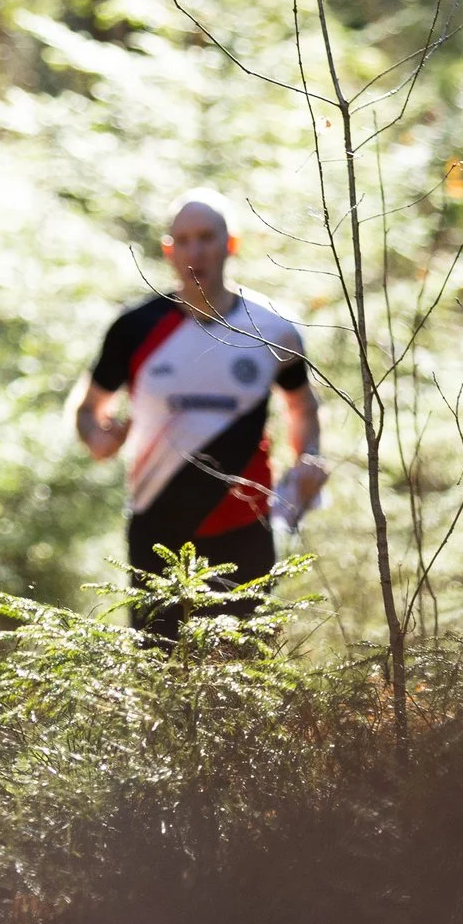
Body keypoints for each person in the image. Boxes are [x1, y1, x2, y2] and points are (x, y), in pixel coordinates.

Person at [74, 191, 326, 638]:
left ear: (231, 243)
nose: (196, 251)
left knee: (244, 672)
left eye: (207, 238)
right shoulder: (135, 328)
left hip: (245, 526)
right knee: (160, 674)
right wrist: (99, 439)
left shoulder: (273, 327)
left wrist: (307, 456)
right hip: (156, 524)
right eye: (184, 240)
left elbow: (301, 406)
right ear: (169, 250)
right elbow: (90, 409)